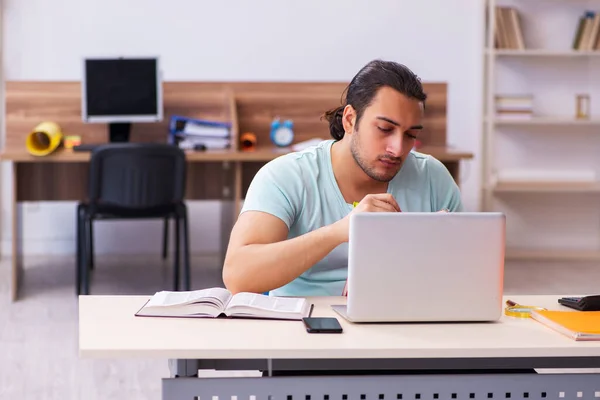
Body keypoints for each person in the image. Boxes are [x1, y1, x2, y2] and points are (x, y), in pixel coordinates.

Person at [222, 59, 464, 297]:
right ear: (350, 120)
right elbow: (238, 276)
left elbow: (465, 278)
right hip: (304, 327)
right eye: (385, 129)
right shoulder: (286, 175)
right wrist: (339, 231)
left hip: (402, 325)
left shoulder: (434, 178)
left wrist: (387, 270)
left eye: (410, 134)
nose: (398, 148)